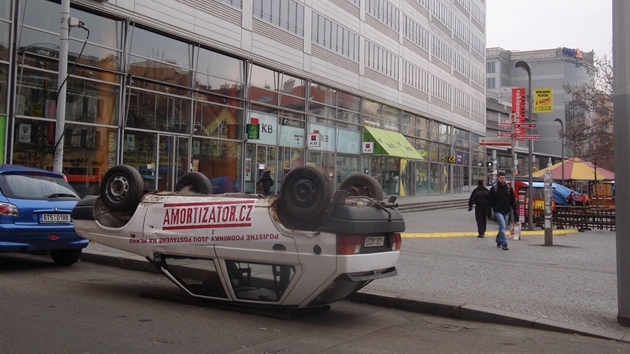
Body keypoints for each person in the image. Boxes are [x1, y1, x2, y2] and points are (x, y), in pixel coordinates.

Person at [489, 172, 517, 251]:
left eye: (503, 178)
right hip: (497, 210)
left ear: (505, 178)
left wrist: (515, 210)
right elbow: (490, 200)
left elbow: (512, 200)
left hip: (506, 210)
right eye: (500, 178)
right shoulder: (494, 188)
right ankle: (504, 243)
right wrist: (489, 211)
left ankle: (498, 239)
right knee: (502, 226)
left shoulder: (508, 188)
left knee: (503, 227)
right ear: (498, 178)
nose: (502, 180)